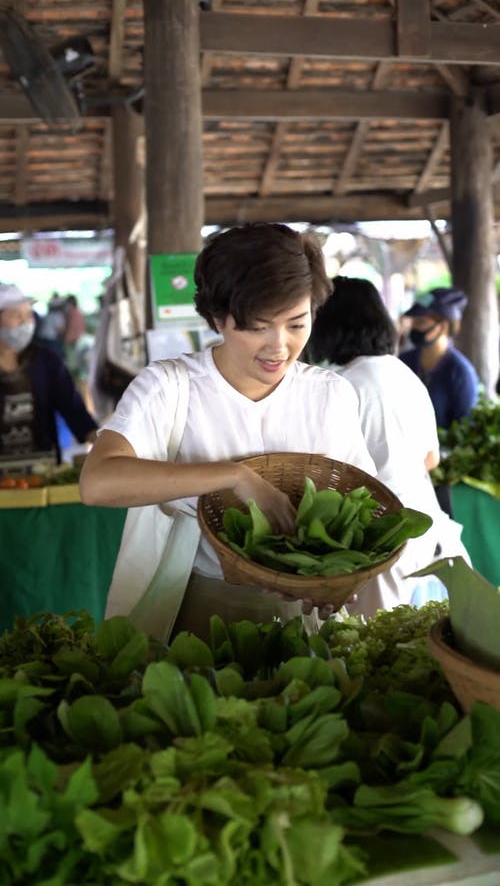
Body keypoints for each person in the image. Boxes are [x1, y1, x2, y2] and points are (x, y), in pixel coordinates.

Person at [80, 222, 376, 639]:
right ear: (218, 318)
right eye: (257, 327)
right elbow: (97, 482)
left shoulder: (330, 395)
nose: (278, 347)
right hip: (195, 606)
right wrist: (235, 476)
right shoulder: (169, 386)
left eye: (296, 323)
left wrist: (340, 577)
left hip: (305, 619)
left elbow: (362, 504)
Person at [308, 275, 472, 616]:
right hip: (427, 530)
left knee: (373, 648)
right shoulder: (403, 373)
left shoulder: (339, 385)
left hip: (380, 540)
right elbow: (430, 460)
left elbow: (326, 478)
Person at [0, 284, 98, 462]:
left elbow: (71, 405)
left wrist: (96, 437)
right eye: (16, 315)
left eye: (29, 315)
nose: (26, 322)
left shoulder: (45, 361)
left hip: (43, 465)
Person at [399, 286, 479, 430]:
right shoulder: (404, 362)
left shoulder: (460, 373)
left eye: (421, 322)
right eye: (414, 321)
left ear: (442, 326)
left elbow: (464, 428)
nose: (414, 327)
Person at [34, 292, 67, 359]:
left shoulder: (49, 315)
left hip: (42, 339)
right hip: (50, 340)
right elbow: (60, 330)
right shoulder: (57, 316)